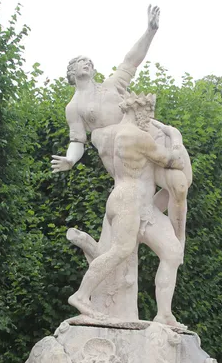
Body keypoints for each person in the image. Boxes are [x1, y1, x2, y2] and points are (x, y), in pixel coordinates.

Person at [51, 5, 192, 248]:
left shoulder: (110, 85)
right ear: (72, 72)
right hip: (125, 158)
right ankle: (140, 236)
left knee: (179, 186)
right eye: (81, 62)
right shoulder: (73, 107)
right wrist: (70, 160)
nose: (87, 63)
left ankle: (178, 239)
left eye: (89, 61)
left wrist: (150, 31)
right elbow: (77, 140)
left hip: (151, 140)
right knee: (138, 201)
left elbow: (131, 60)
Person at [68, 92, 185, 328]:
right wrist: (175, 137)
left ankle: (164, 314)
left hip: (139, 204)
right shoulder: (136, 136)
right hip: (128, 201)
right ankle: (81, 296)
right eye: (147, 111)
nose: (150, 116)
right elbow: (174, 160)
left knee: (172, 252)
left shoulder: (110, 134)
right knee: (121, 250)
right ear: (134, 110)